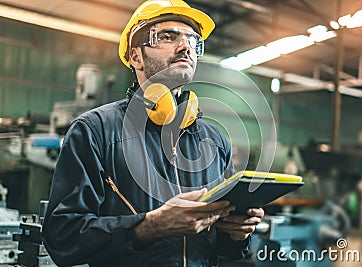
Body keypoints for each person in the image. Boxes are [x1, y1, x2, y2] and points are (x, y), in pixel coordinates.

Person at [42, 0, 264, 266]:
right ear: (136, 57)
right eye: (168, 37)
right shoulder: (95, 131)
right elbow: (62, 237)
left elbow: (224, 250)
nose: (185, 47)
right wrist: (149, 226)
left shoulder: (214, 141)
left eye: (193, 41)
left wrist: (237, 234)